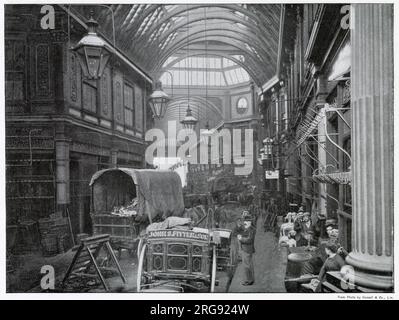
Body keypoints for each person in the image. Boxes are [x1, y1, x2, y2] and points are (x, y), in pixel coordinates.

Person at [237, 217, 256, 286]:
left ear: (250, 222)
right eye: (245, 221)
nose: (245, 222)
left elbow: (249, 240)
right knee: (248, 265)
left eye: (247, 221)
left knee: (247, 266)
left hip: (247, 250)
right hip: (246, 249)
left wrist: (241, 238)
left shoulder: (251, 230)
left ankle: (249, 280)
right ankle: (250, 279)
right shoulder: (247, 228)